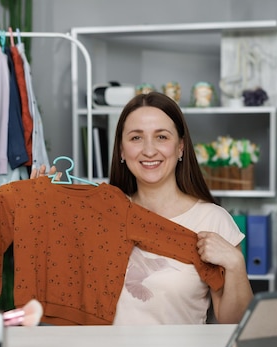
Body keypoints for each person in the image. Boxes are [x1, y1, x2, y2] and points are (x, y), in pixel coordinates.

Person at [31, 92, 253, 324]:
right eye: (136, 138)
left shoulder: (212, 220)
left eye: (162, 137)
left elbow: (234, 323)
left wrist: (236, 265)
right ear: (121, 150)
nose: (149, 150)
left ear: (180, 148)